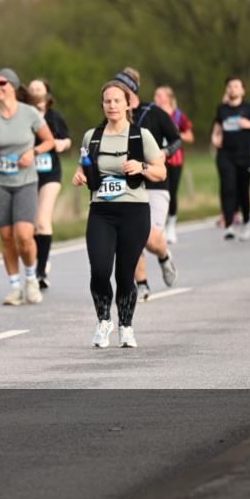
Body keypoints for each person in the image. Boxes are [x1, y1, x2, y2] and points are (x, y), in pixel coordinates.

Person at [73, 78, 166, 348]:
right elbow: (85, 168)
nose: (112, 105)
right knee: (100, 270)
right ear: (102, 105)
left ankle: (126, 326)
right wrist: (79, 176)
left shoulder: (140, 135)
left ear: (127, 104)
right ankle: (104, 321)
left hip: (134, 212)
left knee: (125, 274)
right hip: (101, 210)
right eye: (107, 101)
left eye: (117, 101)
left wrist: (142, 168)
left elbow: (161, 171)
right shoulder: (93, 136)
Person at [0, 68, 55, 305]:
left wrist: (33, 151)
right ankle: (15, 287)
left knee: (24, 235)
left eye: (2, 83)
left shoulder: (29, 113)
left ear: (13, 86)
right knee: (6, 237)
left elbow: (49, 141)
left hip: (26, 182)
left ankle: (31, 278)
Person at [114, 68, 181, 301]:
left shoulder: (154, 113)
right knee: (130, 238)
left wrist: (164, 153)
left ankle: (163, 256)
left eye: (122, 89)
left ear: (132, 90)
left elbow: (177, 140)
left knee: (151, 238)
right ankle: (141, 284)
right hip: (128, 184)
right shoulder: (115, 116)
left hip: (155, 183)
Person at [25, 79, 71, 290]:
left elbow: (68, 139)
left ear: (47, 94)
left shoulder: (55, 117)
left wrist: (62, 143)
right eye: (32, 89)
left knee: (43, 221)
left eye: (39, 90)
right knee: (31, 225)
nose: (35, 92)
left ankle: (40, 273)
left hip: (50, 174)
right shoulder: (23, 117)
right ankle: (39, 261)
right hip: (26, 176)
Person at [211, 76, 250, 240]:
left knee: (243, 190)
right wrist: (215, 137)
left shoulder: (249, 109)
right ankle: (228, 225)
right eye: (230, 86)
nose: (233, 88)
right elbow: (218, 126)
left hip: (244, 156)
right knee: (228, 188)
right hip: (225, 155)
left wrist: (249, 124)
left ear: (242, 90)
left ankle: (246, 222)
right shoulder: (222, 108)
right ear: (227, 90)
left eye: (236, 86)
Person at [154, 86, 195, 244]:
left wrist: (176, 134)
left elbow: (190, 136)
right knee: (158, 192)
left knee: (172, 192)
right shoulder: (152, 114)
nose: (157, 98)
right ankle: (159, 226)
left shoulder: (178, 115)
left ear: (169, 98)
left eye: (160, 95)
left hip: (175, 159)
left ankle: (171, 224)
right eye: (156, 95)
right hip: (157, 159)